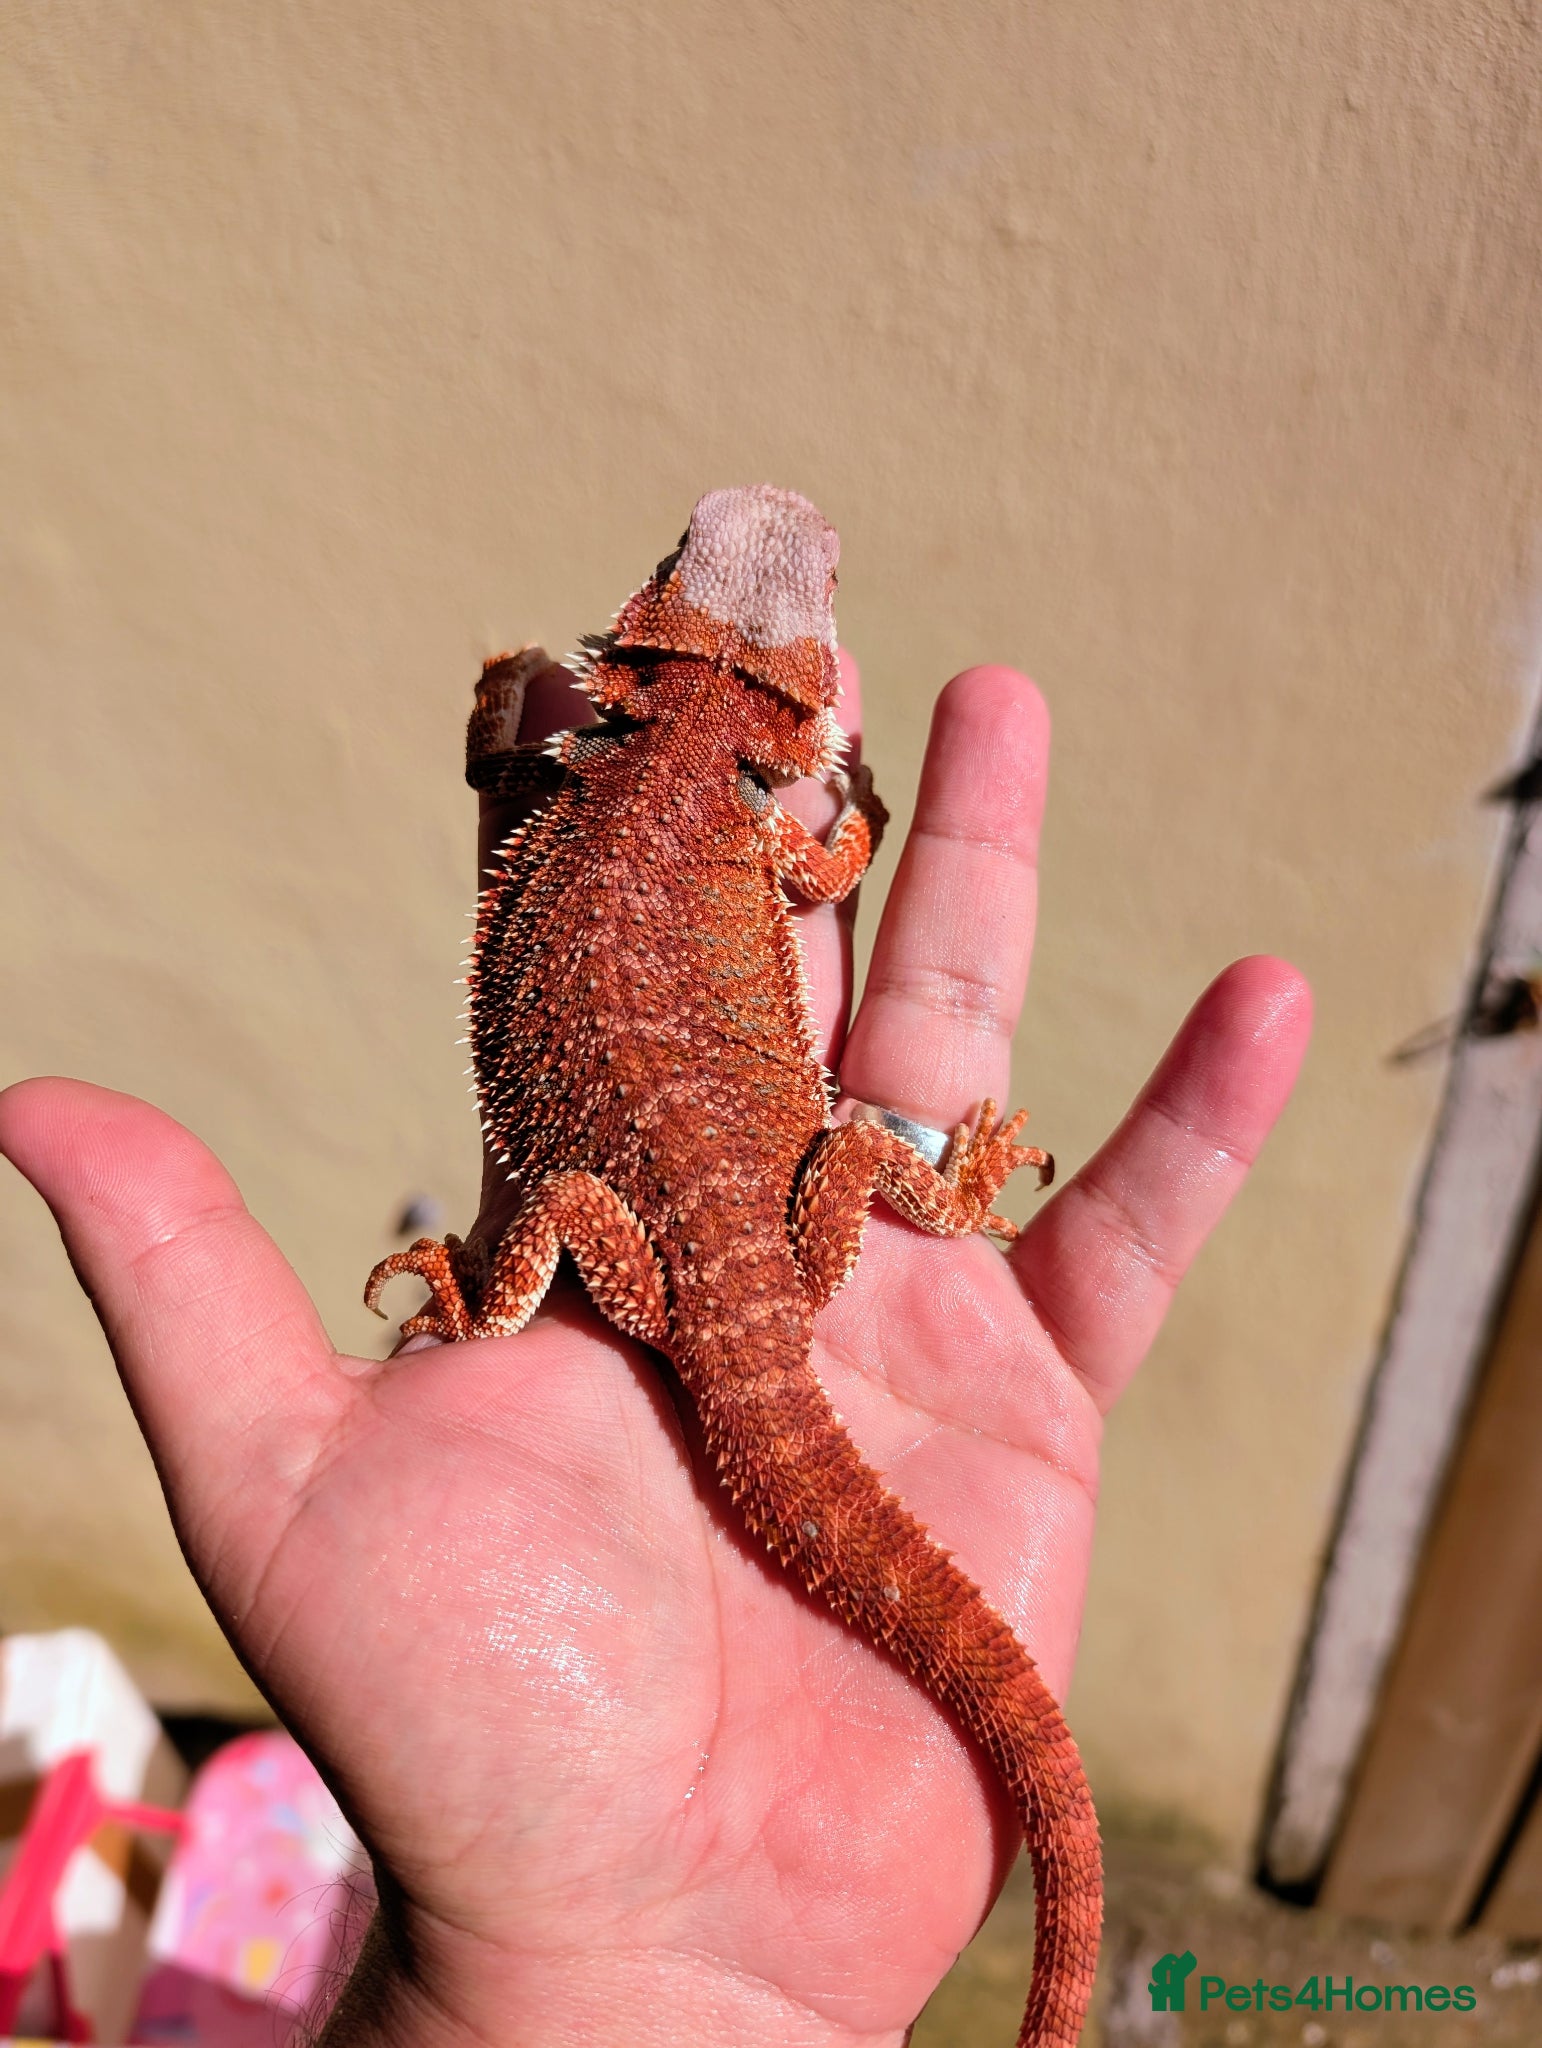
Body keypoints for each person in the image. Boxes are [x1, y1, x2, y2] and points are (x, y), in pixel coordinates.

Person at [0, 657, 1310, 2046]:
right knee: (855, 1141)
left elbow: (572, 1196)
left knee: (601, 1193)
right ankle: (943, 1189)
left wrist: (492, 1300)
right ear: (777, 724)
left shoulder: (618, 790)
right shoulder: (761, 828)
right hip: (771, 1255)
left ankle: (516, 1301)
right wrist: (847, 823)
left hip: (699, 1270)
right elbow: (838, 862)